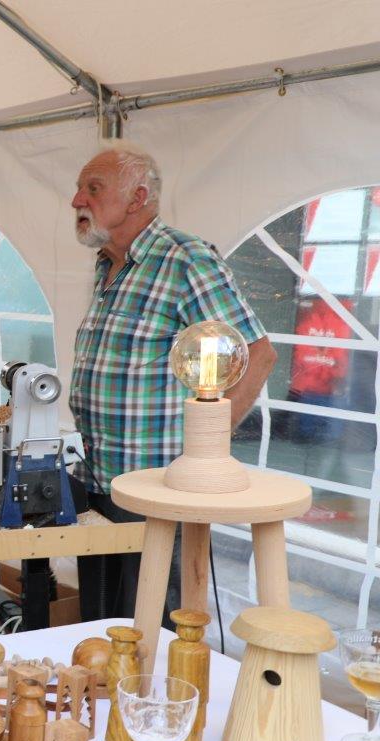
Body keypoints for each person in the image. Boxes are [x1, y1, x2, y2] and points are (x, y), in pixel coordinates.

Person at [68, 141, 275, 622]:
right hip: (100, 486)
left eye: (93, 189)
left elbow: (258, 354)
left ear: (137, 198)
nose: (77, 200)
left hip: (158, 494)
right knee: (105, 631)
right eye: (79, 189)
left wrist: (205, 449)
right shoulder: (108, 264)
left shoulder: (184, 260)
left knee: (158, 635)